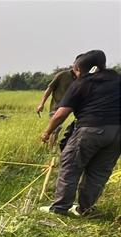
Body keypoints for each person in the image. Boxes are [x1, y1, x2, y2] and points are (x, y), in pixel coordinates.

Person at [39, 50, 121, 216]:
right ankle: (84, 209)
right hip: (117, 134)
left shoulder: (82, 83)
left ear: (77, 69)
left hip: (90, 130)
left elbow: (61, 114)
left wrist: (47, 132)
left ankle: (60, 208)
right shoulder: (118, 80)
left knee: (70, 167)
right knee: (98, 173)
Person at [37, 65, 77, 146]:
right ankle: (50, 150)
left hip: (72, 108)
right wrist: (41, 104)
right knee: (55, 128)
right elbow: (49, 89)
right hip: (57, 106)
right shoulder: (62, 75)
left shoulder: (83, 78)